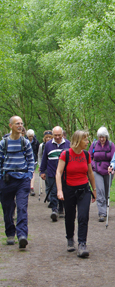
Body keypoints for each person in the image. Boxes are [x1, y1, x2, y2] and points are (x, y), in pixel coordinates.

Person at [56, 130, 96, 258]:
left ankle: (82, 244)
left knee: (83, 216)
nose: (87, 142)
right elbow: (58, 173)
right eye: (85, 140)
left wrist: (94, 190)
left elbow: (90, 173)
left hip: (84, 190)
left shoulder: (86, 154)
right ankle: (69, 238)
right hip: (69, 190)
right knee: (70, 216)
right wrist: (60, 190)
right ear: (78, 141)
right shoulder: (65, 154)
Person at [0, 116, 34, 248]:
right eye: (17, 124)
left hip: (22, 180)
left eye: (21, 123)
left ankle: (22, 235)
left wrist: (29, 175)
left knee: (21, 207)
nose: (20, 126)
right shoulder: (4, 143)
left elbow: (31, 160)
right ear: (10, 126)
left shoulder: (25, 142)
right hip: (7, 180)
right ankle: (10, 233)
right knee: (8, 208)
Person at [40, 126, 70, 222]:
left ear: (62, 134)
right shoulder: (48, 145)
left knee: (64, 191)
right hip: (52, 172)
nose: (57, 137)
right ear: (53, 135)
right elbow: (44, 158)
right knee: (54, 191)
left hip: (65, 173)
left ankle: (61, 209)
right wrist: (42, 171)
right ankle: (54, 210)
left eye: (59, 135)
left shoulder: (68, 143)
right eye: (55, 135)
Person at [89, 126, 115, 222]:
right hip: (97, 171)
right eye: (100, 137)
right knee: (100, 190)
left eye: (103, 137)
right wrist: (93, 166)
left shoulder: (111, 145)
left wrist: (112, 167)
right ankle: (102, 213)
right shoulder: (94, 145)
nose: (101, 139)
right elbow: (89, 157)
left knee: (106, 191)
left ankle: (105, 209)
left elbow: (114, 159)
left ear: (106, 136)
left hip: (108, 171)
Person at [38, 130, 53, 202]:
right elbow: (40, 156)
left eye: (50, 137)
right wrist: (40, 166)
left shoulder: (54, 145)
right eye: (47, 137)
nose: (48, 139)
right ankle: (49, 198)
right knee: (47, 183)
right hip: (45, 166)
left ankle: (53, 198)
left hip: (52, 166)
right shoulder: (42, 146)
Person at [26, 129, 40, 196]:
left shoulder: (36, 142)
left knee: (33, 172)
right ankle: (26, 186)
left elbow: (38, 151)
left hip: (33, 159)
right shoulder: (24, 141)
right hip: (25, 160)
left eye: (32, 136)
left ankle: (31, 187)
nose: (31, 137)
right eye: (29, 136)